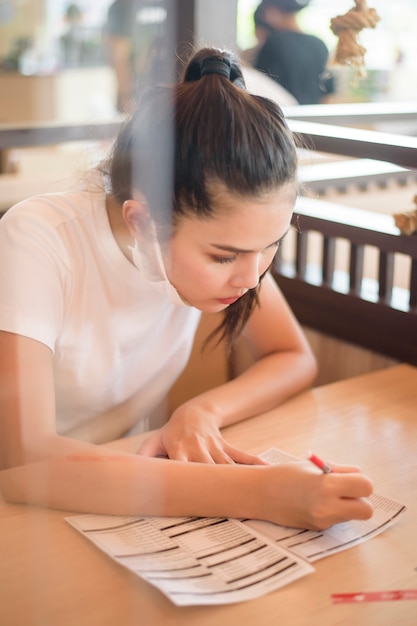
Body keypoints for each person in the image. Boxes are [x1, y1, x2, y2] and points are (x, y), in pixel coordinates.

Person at [0, 46, 373, 530]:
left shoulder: (238, 245)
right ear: (142, 220)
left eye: (270, 247)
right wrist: (260, 492)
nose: (251, 276)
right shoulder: (39, 238)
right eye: (224, 256)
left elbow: (292, 356)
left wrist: (201, 411)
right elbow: (25, 458)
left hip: (117, 483)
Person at [254, 0, 336, 104]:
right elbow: (328, 94)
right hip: (313, 116)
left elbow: (260, 88)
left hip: (282, 116)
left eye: (265, 13)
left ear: (273, 10)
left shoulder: (273, 43)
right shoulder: (319, 44)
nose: (265, 18)